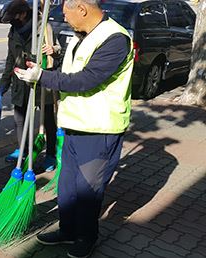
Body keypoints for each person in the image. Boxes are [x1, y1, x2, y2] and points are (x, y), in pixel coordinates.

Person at [13, 0, 134, 256]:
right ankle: (67, 230)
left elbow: (86, 79)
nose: (64, 17)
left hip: (99, 130)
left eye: (66, 11)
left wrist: (43, 77)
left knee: (87, 190)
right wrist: (50, 65)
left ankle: (86, 237)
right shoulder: (81, 35)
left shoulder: (115, 39)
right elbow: (71, 70)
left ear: (82, 8)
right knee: (67, 186)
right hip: (73, 125)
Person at [0, 0, 60, 171]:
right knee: (19, 118)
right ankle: (22, 150)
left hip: (41, 80)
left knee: (47, 119)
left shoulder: (44, 28)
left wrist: (53, 50)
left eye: (14, 17)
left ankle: (50, 154)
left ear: (24, 14)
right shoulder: (14, 31)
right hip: (20, 80)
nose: (12, 22)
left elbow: (57, 51)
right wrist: (4, 82)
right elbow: (11, 58)